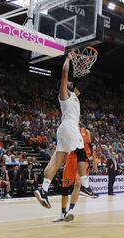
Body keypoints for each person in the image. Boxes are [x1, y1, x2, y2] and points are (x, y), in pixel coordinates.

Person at [34, 52, 97, 209]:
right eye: (68, 82)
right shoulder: (63, 94)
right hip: (69, 126)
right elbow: (64, 73)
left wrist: (85, 65)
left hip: (64, 129)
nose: (70, 82)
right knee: (82, 154)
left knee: (58, 161)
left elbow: (86, 83)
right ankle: (85, 185)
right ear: (63, 85)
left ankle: (43, 190)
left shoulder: (74, 96)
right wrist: (68, 59)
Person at [53, 127, 93, 222]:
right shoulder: (67, 130)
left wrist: (94, 161)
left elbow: (91, 146)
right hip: (70, 160)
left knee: (78, 183)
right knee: (65, 188)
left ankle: (71, 209)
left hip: (82, 160)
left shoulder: (86, 132)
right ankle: (62, 213)